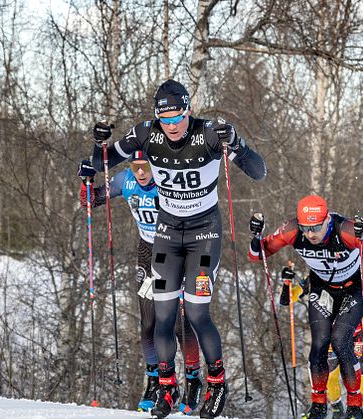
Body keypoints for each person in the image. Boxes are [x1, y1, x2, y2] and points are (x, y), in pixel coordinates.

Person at [90, 79, 266, 418]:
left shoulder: (209, 134)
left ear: (188, 112)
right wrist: (99, 145)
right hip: (167, 233)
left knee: (197, 313)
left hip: (204, 233)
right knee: (164, 315)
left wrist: (239, 145)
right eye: (165, 120)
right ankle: (168, 388)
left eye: (177, 119)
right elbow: (103, 162)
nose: (171, 126)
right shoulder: (146, 133)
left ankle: (216, 384)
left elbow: (259, 172)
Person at [247, 195, 363, 419]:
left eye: (316, 227)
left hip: (354, 286)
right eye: (305, 228)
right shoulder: (292, 230)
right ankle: (318, 406)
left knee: (340, 341)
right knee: (319, 344)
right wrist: (256, 237)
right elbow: (257, 256)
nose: (310, 234)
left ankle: (355, 407)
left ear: (327, 220)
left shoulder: (346, 230)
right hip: (322, 286)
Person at [78, 154, 204, 413]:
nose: (141, 173)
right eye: (136, 168)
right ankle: (156, 381)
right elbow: (90, 202)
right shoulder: (125, 180)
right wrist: (87, 181)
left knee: (180, 322)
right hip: (147, 253)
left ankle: (192, 379)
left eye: (146, 167)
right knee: (149, 322)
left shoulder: (169, 181)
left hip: (176, 252)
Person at [324, 290, 363, 419]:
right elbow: (291, 298)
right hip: (336, 334)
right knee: (330, 376)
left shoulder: (356, 280)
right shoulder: (325, 280)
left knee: (355, 375)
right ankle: (337, 410)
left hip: (358, 333)